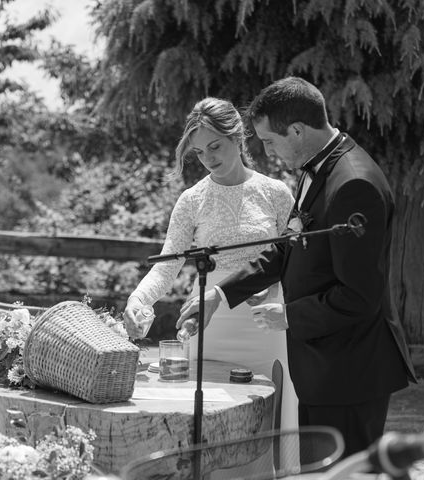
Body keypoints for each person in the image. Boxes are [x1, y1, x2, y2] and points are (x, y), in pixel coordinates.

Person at [177, 77, 417, 458]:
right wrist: (220, 294)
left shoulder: (353, 183)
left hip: (349, 372)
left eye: (270, 141)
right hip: (323, 367)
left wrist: (289, 315)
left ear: (297, 130)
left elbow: (359, 296)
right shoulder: (316, 168)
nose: (268, 152)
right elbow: (287, 248)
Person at [123, 97, 298, 450]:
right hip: (209, 324)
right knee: (213, 430)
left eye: (215, 146)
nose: (209, 158)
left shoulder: (276, 193)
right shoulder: (192, 199)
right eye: (200, 152)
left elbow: (294, 259)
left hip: (266, 325)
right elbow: (167, 264)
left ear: (238, 137)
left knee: (268, 432)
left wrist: (282, 293)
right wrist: (138, 298)